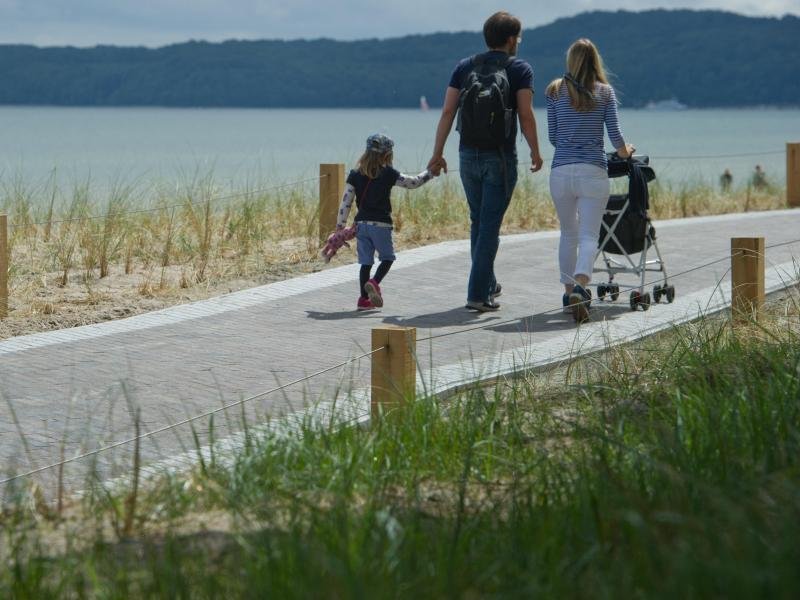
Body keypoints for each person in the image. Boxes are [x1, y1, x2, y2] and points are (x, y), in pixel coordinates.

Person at [427, 11, 543, 312]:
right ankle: (477, 295)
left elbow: (447, 113)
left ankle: (488, 283)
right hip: (500, 157)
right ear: (509, 39)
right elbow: (526, 115)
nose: (518, 42)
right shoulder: (520, 69)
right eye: (518, 37)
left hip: (467, 155)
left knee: (478, 221)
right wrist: (535, 151)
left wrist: (437, 152)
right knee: (489, 226)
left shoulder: (464, 67)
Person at [545, 38, 635, 323]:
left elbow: (553, 137)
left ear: (570, 60)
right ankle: (582, 286)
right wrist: (626, 151)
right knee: (588, 235)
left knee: (567, 234)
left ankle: (568, 292)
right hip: (592, 171)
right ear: (595, 60)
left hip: (560, 172)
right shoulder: (605, 93)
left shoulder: (554, 90)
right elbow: (616, 137)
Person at [336, 133, 436, 311]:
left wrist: (339, 228)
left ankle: (363, 300)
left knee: (365, 263)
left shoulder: (355, 174)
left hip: (361, 226)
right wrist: (429, 173)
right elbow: (412, 183)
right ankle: (375, 282)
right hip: (381, 225)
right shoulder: (388, 173)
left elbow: (346, 203)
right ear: (387, 155)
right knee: (388, 258)